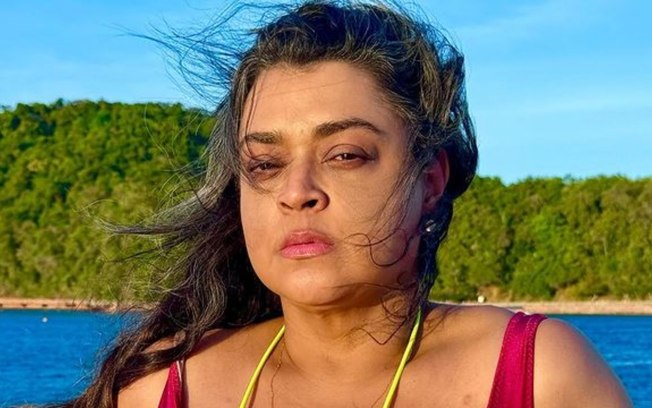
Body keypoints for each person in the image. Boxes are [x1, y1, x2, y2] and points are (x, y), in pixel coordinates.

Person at [61, 1, 632, 407]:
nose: (296, 192)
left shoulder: (538, 376)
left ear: (430, 180)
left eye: (345, 155)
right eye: (265, 165)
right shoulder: (164, 387)